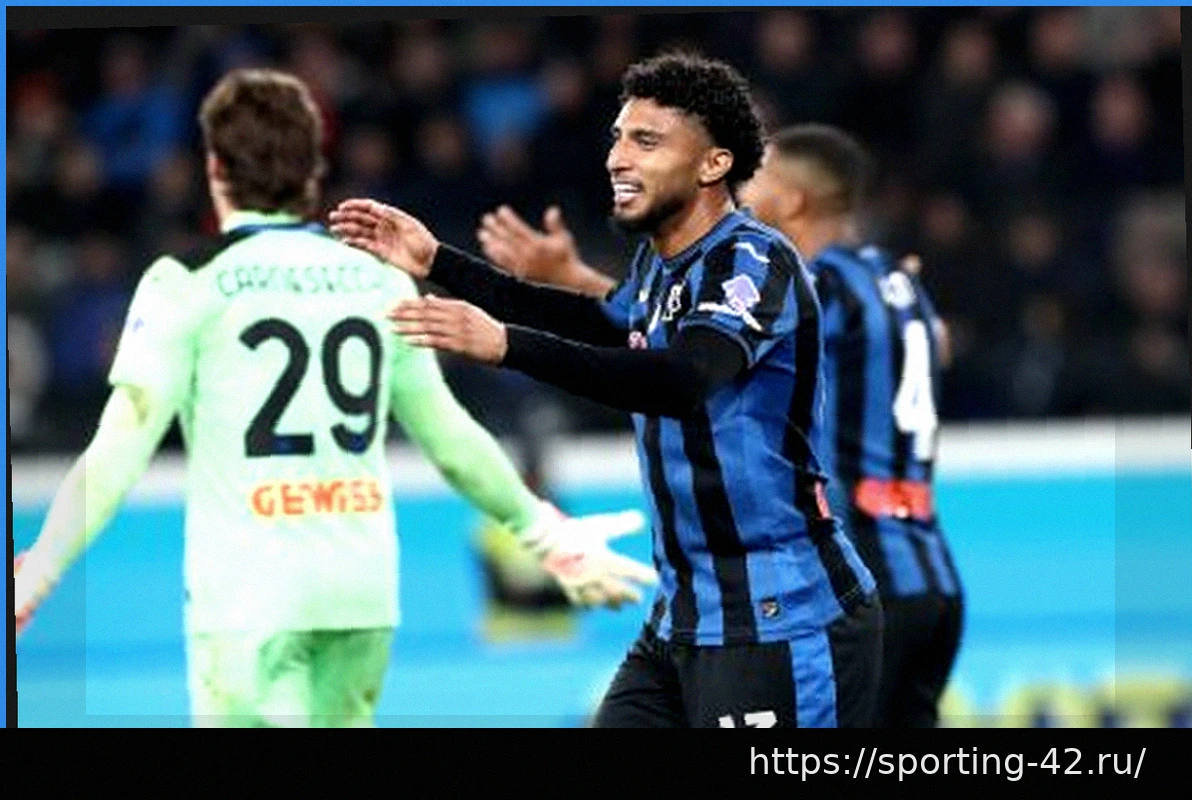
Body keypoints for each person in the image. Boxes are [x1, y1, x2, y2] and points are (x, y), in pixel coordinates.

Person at [13, 68, 655, 729]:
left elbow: (122, 446)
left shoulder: (185, 283)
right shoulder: (376, 279)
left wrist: (37, 574)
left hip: (250, 596)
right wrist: (545, 534)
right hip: (358, 592)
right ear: (312, 171)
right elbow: (449, 435)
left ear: (215, 168)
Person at [330, 53, 883, 728]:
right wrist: (437, 261)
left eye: (646, 141)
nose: (618, 158)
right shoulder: (660, 263)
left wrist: (504, 344)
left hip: (780, 615)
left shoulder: (753, 260)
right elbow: (592, 320)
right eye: (618, 138)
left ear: (713, 164)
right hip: (686, 616)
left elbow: (682, 379)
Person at [468, 123, 965, 727]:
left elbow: (695, 341)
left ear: (795, 201)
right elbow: (938, 346)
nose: (743, 189)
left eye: (759, 178)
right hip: (930, 571)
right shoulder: (893, 279)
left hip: (845, 574)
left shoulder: (808, 281)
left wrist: (567, 286)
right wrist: (574, 278)